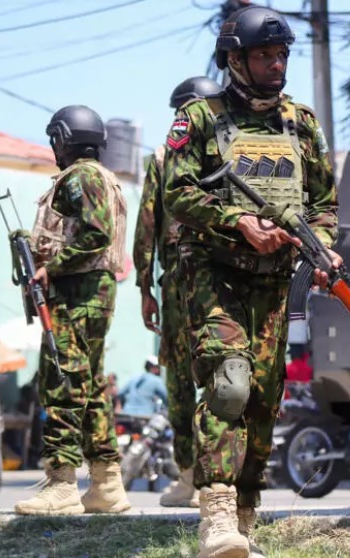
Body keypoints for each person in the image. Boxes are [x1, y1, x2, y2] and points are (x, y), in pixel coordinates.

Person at [161, 6, 340, 557]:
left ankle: (244, 519)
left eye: (282, 54)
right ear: (235, 60)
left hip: (276, 282)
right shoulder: (199, 117)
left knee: (263, 401)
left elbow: (324, 204)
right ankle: (214, 515)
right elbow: (177, 192)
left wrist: (323, 250)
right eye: (264, 55)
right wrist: (236, 221)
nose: (276, 64)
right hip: (214, 276)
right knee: (230, 384)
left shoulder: (301, 124)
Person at [11, 104, 131, 516]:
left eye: (54, 141)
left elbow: (96, 233)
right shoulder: (106, 178)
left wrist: (51, 268)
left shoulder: (80, 177)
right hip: (94, 293)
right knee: (91, 386)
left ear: (64, 138)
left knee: (61, 381)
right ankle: (106, 484)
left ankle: (62, 482)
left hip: (78, 294)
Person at [132, 75, 223, 508]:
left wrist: (143, 286)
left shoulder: (166, 154)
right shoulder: (233, 152)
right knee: (219, 376)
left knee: (187, 382)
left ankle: (193, 480)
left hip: (184, 280)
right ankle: (214, 480)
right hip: (222, 281)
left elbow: (147, 224)